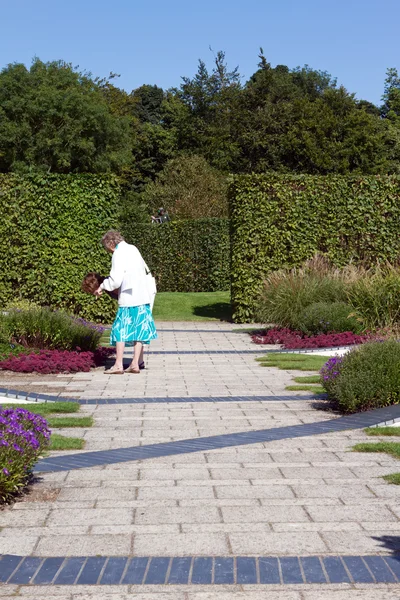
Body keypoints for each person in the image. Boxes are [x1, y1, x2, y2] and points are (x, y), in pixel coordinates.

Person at [94, 230, 157, 375]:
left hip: (128, 297)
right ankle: (135, 363)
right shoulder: (133, 248)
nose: (108, 251)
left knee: (120, 329)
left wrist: (102, 286)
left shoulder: (118, 253)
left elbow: (115, 280)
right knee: (140, 329)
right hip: (142, 295)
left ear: (110, 243)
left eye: (107, 247)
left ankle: (118, 365)